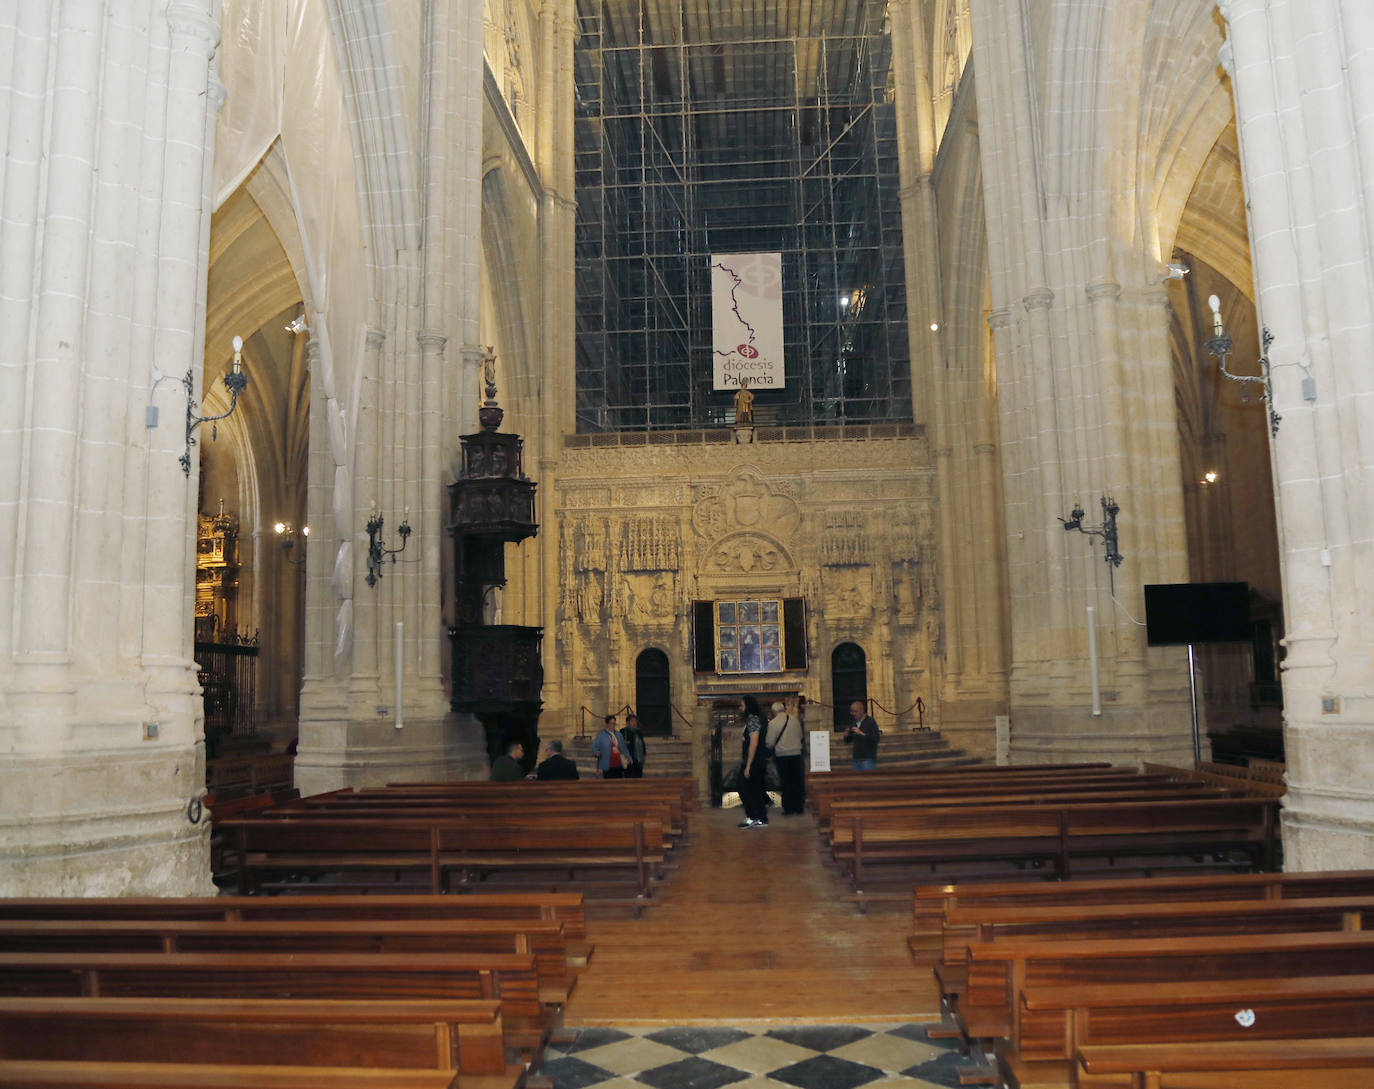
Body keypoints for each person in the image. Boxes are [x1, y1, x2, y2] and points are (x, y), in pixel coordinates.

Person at [766, 699, 805, 814]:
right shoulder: (795, 720)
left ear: (774, 711)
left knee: (786, 782)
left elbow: (769, 742)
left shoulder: (773, 723)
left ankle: (788, 808)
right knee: (797, 782)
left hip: (782, 756)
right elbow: (800, 736)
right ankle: (798, 807)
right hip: (796, 754)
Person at [737, 695, 769, 827]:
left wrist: (748, 765)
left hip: (754, 760)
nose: (740, 708)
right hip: (758, 759)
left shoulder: (753, 720)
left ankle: (757, 817)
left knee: (745, 788)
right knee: (753, 789)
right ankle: (755, 817)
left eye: (742, 705)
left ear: (748, 706)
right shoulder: (757, 719)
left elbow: (753, 743)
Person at [844, 700, 880, 770]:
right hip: (856, 759)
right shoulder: (854, 723)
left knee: (868, 779)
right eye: (851, 711)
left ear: (861, 710)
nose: (853, 713)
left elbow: (875, 738)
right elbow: (848, 740)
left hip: (868, 759)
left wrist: (862, 733)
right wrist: (846, 736)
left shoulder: (870, 722)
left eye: (855, 711)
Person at [592, 714, 630, 779]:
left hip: (618, 764)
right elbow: (595, 747)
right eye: (611, 723)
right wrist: (596, 752)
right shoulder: (601, 735)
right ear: (606, 724)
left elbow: (624, 748)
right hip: (607, 765)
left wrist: (629, 757)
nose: (613, 725)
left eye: (614, 724)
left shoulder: (619, 734)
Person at [622, 713, 647, 778]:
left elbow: (642, 744)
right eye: (632, 721)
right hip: (628, 759)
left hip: (638, 760)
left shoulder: (639, 732)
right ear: (627, 722)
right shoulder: (623, 731)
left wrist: (644, 755)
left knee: (638, 777)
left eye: (635, 721)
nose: (634, 723)